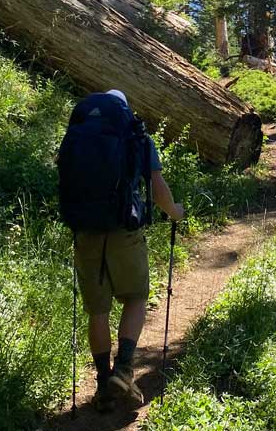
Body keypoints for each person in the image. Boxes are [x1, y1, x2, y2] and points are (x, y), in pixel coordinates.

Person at [60, 89, 184, 412]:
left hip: (86, 231)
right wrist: (175, 212)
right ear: (125, 109)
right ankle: (125, 369)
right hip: (124, 230)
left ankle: (104, 381)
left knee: (97, 311)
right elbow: (156, 188)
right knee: (136, 297)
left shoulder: (78, 134)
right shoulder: (136, 134)